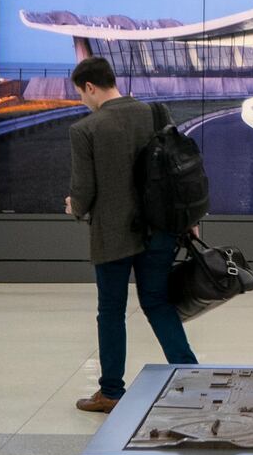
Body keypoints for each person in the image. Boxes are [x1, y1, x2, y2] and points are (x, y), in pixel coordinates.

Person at [63, 56, 198, 414]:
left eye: (81, 94)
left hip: (112, 235)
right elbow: (177, 171)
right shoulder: (156, 113)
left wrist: (74, 207)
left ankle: (111, 393)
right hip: (159, 229)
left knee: (111, 311)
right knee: (157, 303)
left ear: (90, 87)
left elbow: (84, 192)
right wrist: (188, 217)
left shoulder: (86, 130)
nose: (82, 101)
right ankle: (189, 375)